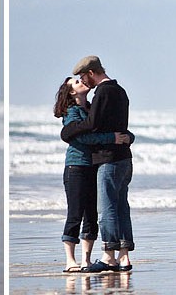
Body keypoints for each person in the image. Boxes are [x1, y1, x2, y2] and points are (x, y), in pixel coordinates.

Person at [60, 55, 134, 273]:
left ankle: (109, 255)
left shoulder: (102, 92)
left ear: (91, 73)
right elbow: (117, 125)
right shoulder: (120, 91)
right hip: (123, 158)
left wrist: (67, 132)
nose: (84, 82)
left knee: (107, 209)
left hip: (109, 159)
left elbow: (92, 124)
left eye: (84, 77)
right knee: (120, 207)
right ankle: (124, 256)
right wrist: (127, 137)